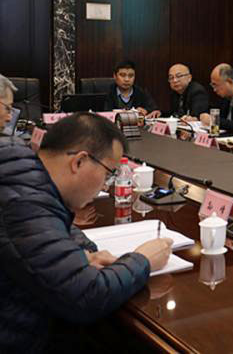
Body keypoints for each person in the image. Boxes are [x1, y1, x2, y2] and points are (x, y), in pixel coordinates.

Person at [0, 112, 173, 352]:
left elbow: (53, 223)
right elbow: (85, 296)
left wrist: (84, 251)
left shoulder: (22, 175)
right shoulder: (23, 203)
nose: (105, 184)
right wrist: (143, 260)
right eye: (108, 173)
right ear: (79, 161)